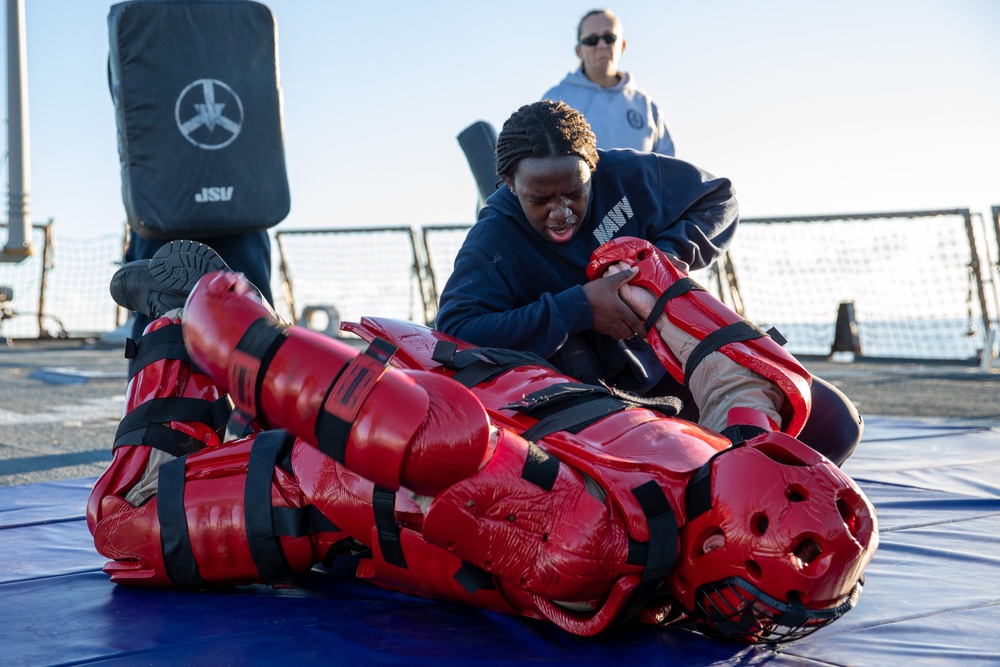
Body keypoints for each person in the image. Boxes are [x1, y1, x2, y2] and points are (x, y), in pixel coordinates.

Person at [89, 239, 878, 644]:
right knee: (124, 517)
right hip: (351, 462)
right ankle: (178, 322)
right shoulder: (593, 537)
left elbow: (741, 373)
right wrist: (233, 337)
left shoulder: (724, 452)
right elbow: (435, 442)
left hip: (448, 389)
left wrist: (649, 279)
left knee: (815, 409)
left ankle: (199, 328)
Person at [436, 100, 862, 465]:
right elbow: (454, 331)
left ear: (593, 168)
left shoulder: (625, 173)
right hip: (597, 403)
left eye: (574, 193)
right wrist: (579, 307)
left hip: (677, 361)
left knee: (834, 425)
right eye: (541, 199)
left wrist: (664, 260)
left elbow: (719, 197)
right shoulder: (493, 239)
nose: (562, 212)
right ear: (509, 185)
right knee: (682, 477)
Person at [542, 9, 674, 155]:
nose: (602, 45)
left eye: (609, 37)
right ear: (579, 51)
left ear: (622, 45)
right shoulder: (555, 99)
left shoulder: (646, 105)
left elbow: (668, 167)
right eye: (592, 40)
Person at [121, 230, 273, 341]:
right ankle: (265, 339)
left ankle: (164, 350)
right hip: (242, 206)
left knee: (158, 333)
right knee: (257, 327)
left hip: (159, 210)